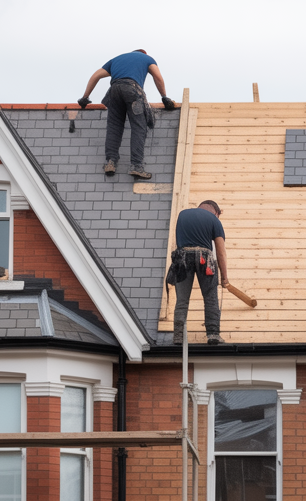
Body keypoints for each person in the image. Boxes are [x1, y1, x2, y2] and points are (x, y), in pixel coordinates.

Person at [78, 50, 175, 180]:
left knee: (114, 126)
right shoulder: (147, 59)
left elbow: (95, 76)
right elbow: (158, 77)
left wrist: (85, 97)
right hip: (132, 90)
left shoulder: (116, 59)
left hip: (114, 90)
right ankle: (136, 166)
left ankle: (110, 163)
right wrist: (164, 97)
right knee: (139, 126)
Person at [168, 200, 229, 345]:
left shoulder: (183, 215)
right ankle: (213, 334)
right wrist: (224, 278)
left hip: (182, 257)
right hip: (204, 258)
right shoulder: (214, 220)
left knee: (182, 300)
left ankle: (178, 336)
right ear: (216, 212)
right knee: (210, 297)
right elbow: (220, 252)